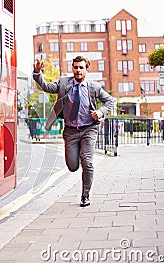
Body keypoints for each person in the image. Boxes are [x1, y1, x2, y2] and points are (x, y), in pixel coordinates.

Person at [32, 55, 114, 207]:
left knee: (87, 162)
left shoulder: (94, 87)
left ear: (86, 70)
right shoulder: (64, 83)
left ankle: (85, 195)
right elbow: (46, 87)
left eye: (81, 67)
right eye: (75, 67)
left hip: (89, 129)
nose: (78, 70)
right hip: (70, 131)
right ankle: (78, 172)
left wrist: (100, 112)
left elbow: (110, 100)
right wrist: (37, 73)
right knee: (72, 166)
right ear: (72, 68)